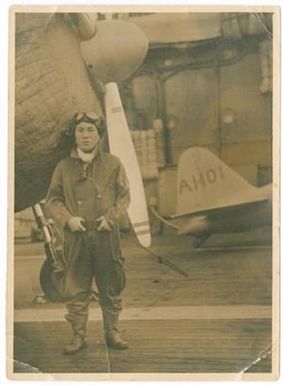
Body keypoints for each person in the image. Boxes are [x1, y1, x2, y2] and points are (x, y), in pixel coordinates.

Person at [46, 111, 130, 354]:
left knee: (111, 284)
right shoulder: (63, 168)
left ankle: (112, 332)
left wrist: (111, 218)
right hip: (76, 236)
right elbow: (53, 200)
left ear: (98, 135)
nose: (85, 135)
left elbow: (124, 196)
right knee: (75, 286)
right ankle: (78, 335)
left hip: (105, 234)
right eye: (80, 130)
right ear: (74, 135)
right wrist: (68, 219)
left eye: (90, 130)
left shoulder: (113, 164)